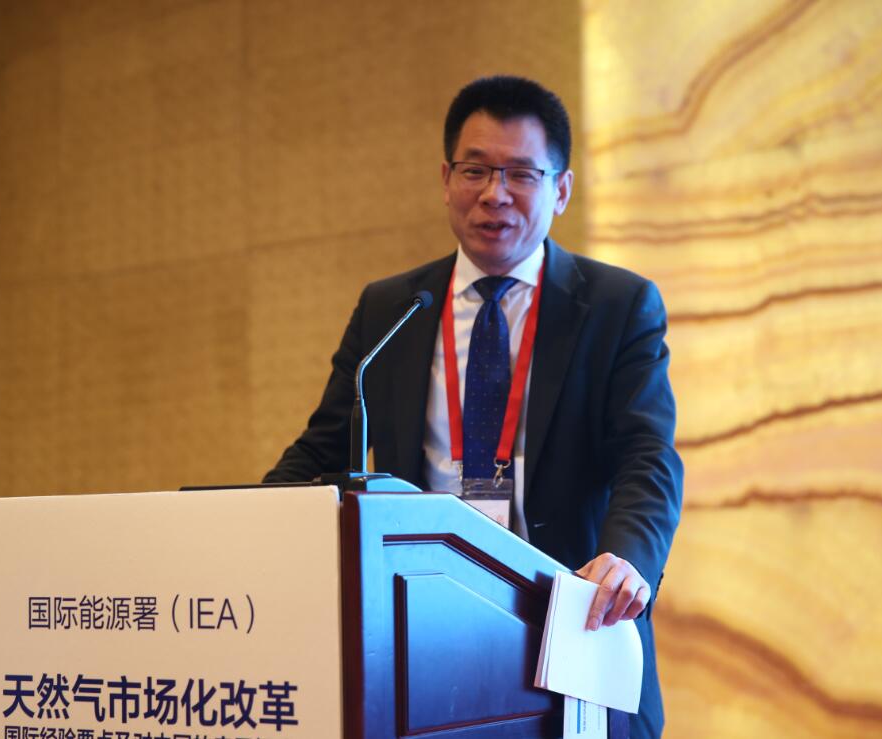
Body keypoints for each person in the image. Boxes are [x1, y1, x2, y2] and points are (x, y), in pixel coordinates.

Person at [264, 75, 682, 738]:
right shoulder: (392, 307)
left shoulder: (616, 305)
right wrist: (248, 527)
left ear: (561, 190)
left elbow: (647, 455)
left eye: (520, 173)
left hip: (567, 621)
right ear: (445, 178)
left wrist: (627, 558)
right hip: (418, 631)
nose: (494, 193)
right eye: (475, 169)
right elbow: (323, 449)